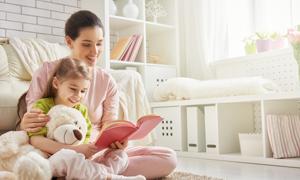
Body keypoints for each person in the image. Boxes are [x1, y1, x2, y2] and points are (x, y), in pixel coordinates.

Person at [19, 10, 177, 179]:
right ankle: (97, 174)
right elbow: (34, 128)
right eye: (87, 44)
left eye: (99, 43)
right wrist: (27, 121)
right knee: (34, 163)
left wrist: (119, 141)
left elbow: (109, 126)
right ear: (69, 41)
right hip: (55, 153)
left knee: (169, 158)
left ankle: (89, 174)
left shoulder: (107, 81)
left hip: (96, 154)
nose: (95, 51)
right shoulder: (48, 72)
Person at [26, 57, 145, 180]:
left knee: (120, 156)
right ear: (56, 83)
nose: (78, 96)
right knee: (69, 157)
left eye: (83, 91)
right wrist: (76, 150)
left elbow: (85, 139)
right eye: (73, 89)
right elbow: (36, 140)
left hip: (78, 159)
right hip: (51, 159)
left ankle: (96, 173)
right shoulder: (42, 106)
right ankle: (111, 177)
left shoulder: (81, 110)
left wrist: (95, 148)